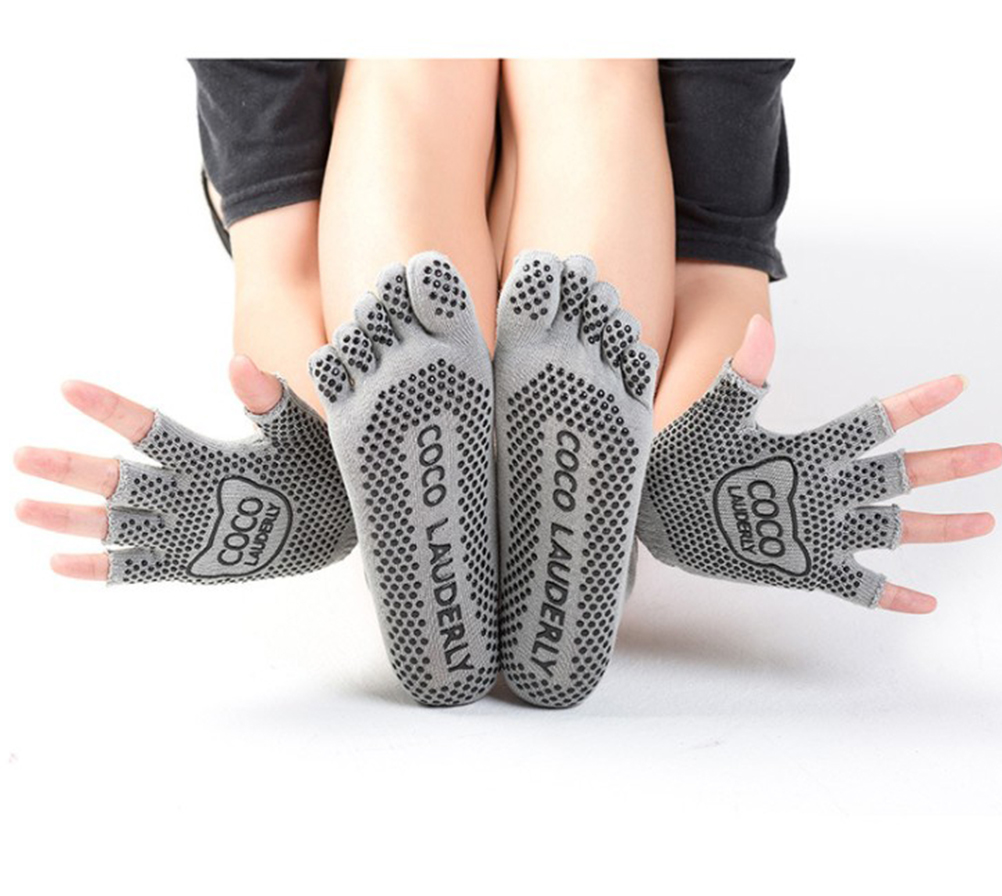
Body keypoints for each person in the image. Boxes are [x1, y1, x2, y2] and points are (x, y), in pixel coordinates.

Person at [14, 61, 1000, 707]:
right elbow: (714, 261)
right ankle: (623, 472)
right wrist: (690, 428)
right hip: (631, 161)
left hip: (352, 176)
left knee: (415, 73)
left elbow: (281, 265)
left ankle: (386, 458)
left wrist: (313, 433)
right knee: (588, 75)